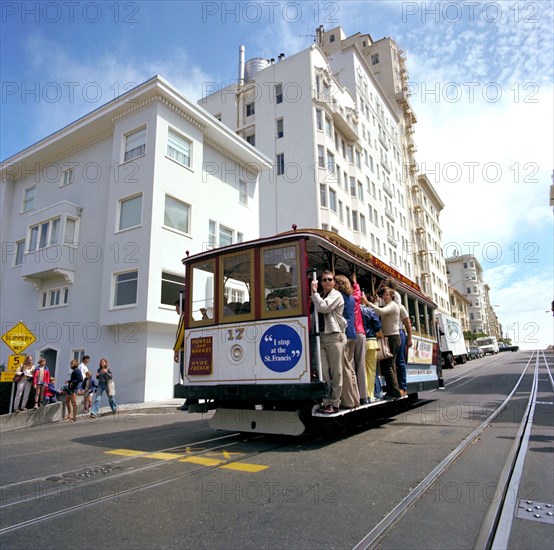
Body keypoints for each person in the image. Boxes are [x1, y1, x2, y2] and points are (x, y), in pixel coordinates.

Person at [311, 270, 346, 414]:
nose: (326, 282)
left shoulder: (336, 295)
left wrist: (314, 293)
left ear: (334, 282)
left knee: (336, 371)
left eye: (329, 279)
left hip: (334, 336)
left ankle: (335, 403)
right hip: (321, 337)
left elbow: (323, 308)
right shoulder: (321, 296)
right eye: (324, 280)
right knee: (323, 372)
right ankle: (326, 402)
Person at [366, 287, 402, 399]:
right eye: (384, 295)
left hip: (392, 338)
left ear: (391, 296)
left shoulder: (392, 305)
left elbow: (380, 312)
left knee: (389, 366)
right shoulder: (388, 306)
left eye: (387, 295)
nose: (385, 296)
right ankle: (393, 391)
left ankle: (394, 392)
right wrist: (375, 302)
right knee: (388, 366)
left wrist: (367, 303)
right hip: (390, 337)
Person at [334, 275, 360, 408]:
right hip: (353, 333)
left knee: (345, 368)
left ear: (339, 284)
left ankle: (348, 401)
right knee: (350, 367)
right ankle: (355, 398)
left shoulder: (339, 296)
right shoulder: (350, 298)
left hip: (345, 333)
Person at [360, 294, 383, 402]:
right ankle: (370, 395)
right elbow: (378, 326)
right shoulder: (369, 310)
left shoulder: (355, 310)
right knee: (371, 370)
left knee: (361, 370)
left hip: (359, 341)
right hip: (371, 342)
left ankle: (362, 395)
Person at [351, 273, 369, 404]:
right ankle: (364, 396)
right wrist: (355, 283)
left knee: (350, 366)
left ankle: (353, 395)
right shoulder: (355, 298)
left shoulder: (342, 299)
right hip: (361, 333)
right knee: (361, 365)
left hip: (350, 334)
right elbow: (358, 293)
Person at [396, 302, 413, 396]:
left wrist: (409, 338)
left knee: (400, 361)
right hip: (390, 334)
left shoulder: (400, 307)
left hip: (399, 334)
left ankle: (403, 387)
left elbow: (407, 323)